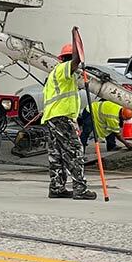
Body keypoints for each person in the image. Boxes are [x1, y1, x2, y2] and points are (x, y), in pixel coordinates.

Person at [41, 43, 96, 200]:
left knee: (56, 155)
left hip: (51, 118)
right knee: (75, 152)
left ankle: (57, 188)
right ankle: (80, 188)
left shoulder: (54, 74)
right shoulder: (63, 68)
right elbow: (75, 61)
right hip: (61, 118)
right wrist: (77, 45)